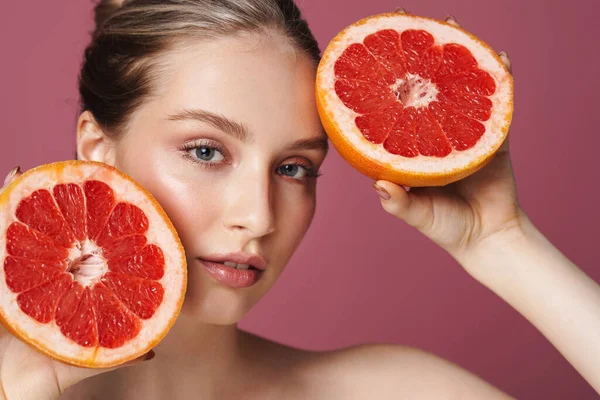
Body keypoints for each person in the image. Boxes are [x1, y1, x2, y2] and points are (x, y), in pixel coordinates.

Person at [0, 0, 598, 399]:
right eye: (205, 152)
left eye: (294, 167)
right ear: (97, 150)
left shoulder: (389, 391)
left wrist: (503, 242)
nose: (258, 217)